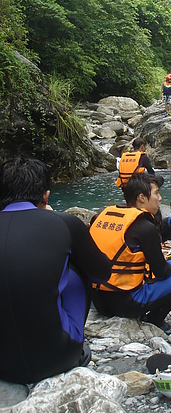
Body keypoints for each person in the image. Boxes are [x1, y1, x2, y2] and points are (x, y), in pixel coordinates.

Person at [0, 158, 111, 384]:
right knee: (75, 267)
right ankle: (73, 342)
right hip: (55, 358)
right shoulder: (64, 222)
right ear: (45, 196)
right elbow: (102, 273)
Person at [90, 173, 171, 331]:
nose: (160, 198)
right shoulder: (144, 226)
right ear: (142, 197)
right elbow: (163, 272)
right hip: (126, 303)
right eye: (156, 193)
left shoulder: (103, 216)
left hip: (98, 301)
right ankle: (155, 319)